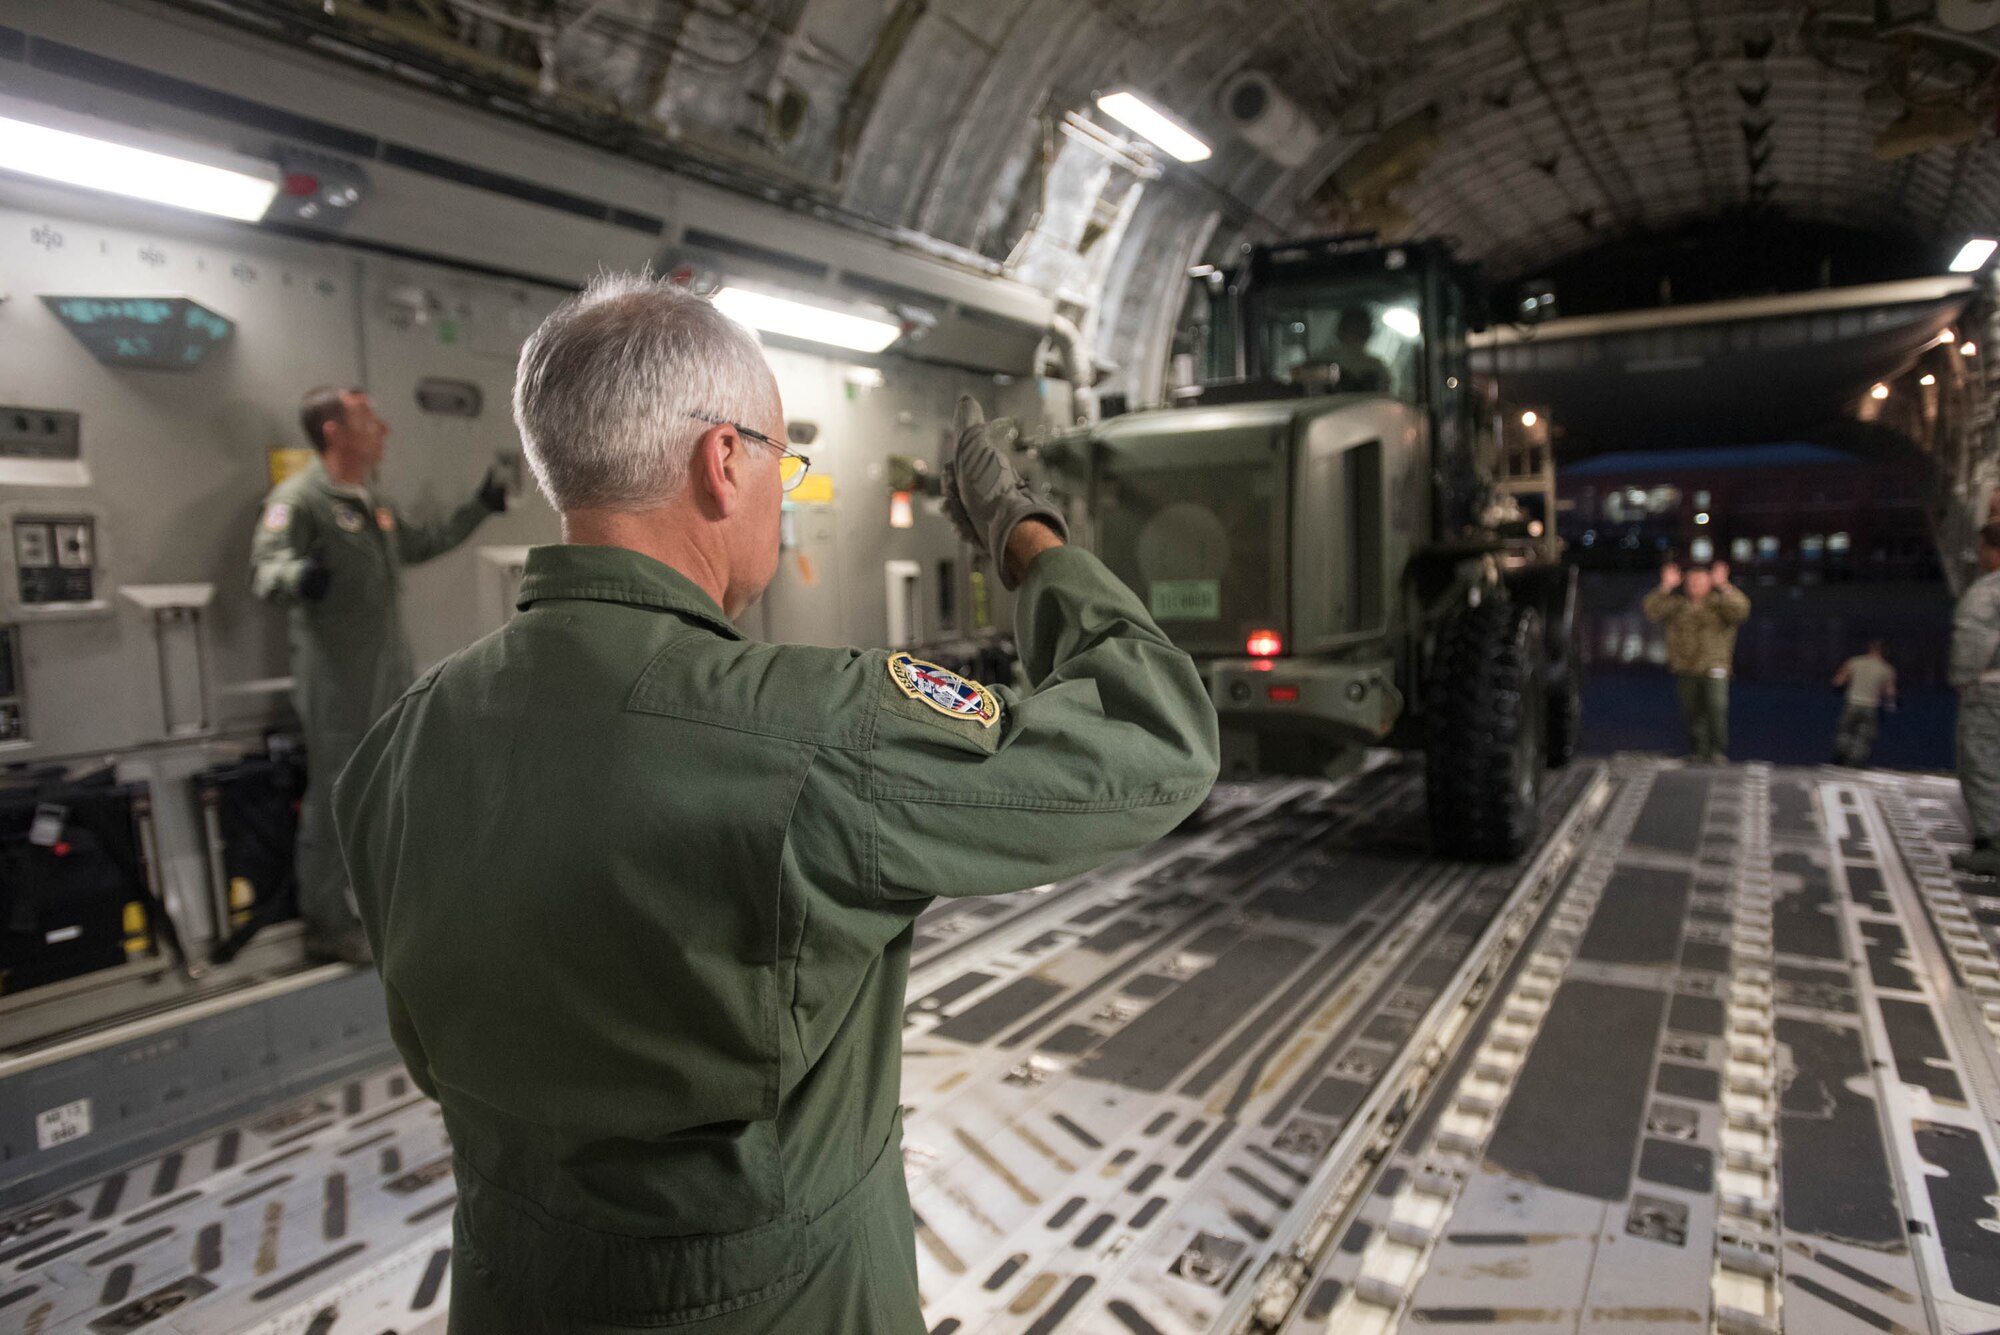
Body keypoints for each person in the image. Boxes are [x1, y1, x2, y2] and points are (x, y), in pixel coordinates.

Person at [332, 275, 1220, 1335]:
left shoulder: (400, 745)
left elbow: (433, 1060)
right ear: (722, 463)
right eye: (781, 462)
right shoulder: (812, 729)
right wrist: (1023, 537)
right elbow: (1156, 736)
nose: (781, 490)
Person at [251, 386, 506, 963]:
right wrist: (298, 577)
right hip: (338, 679)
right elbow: (264, 569)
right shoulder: (301, 500)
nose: (383, 430)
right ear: (333, 431)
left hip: (385, 670)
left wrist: (479, 507)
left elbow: (421, 542)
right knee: (338, 792)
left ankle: (376, 908)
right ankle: (326, 924)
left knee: (386, 789)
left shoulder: (372, 503)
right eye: (369, 419)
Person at [1642, 559, 1751, 764]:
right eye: (1692, 583)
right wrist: (1665, 586)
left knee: (1716, 708)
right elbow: (1651, 609)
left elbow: (1741, 610)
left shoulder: (1720, 605)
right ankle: (1698, 751)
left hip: (1714, 665)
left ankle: (1717, 751)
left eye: (1701, 582)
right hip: (1685, 666)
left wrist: (1724, 586)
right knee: (1691, 711)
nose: (1696, 587)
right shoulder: (1677, 606)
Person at [1950, 522, 2000, 874]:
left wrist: (1965, 682)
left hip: (1991, 688)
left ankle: (1993, 844)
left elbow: (1971, 636)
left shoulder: (1989, 590)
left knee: (1981, 762)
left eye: (1982, 548)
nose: (1979, 555)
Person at [1831, 640, 1896, 766]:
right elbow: (1889, 692)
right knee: (1864, 736)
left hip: (1853, 702)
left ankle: (1842, 753)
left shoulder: (1854, 662)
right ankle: (1855, 760)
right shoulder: (1886, 668)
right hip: (1871, 706)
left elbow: (1838, 681)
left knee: (1845, 730)